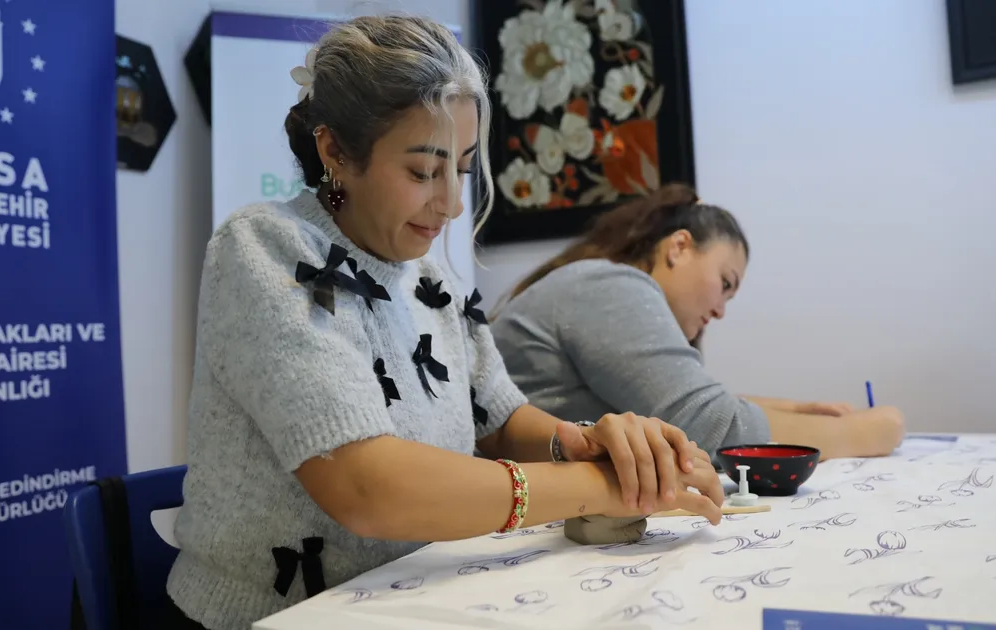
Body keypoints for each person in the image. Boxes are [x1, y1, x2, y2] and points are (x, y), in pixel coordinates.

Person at [164, 17, 725, 630]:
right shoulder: (265, 250)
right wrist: (599, 486)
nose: (453, 204)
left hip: (409, 599)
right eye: (422, 172)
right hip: (279, 616)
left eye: (460, 169)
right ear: (335, 152)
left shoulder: (429, 276)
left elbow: (500, 420)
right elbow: (367, 489)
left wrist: (588, 444)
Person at [490, 183, 905, 461]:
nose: (721, 310)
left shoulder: (599, 285)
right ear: (679, 247)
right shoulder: (612, 286)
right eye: (724, 284)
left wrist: (794, 410)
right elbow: (708, 426)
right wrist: (867, 432)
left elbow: (687, 403)